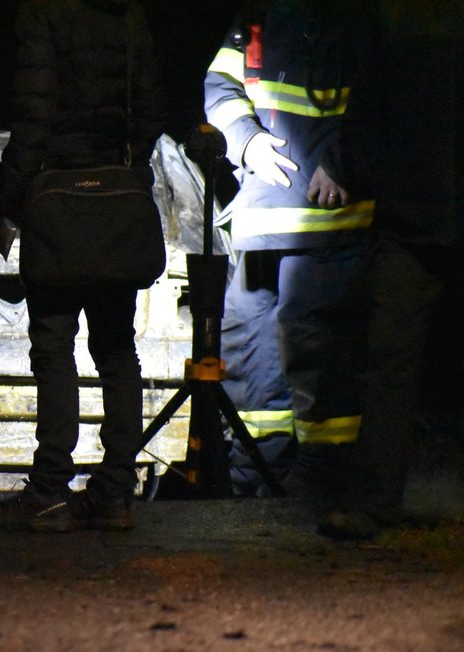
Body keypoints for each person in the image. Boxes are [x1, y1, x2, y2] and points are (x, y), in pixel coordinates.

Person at [0, 0, 167, 531]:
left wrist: (2, 201)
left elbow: (33, 120)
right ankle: (113, 493)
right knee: (116, 348)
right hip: (117, 206)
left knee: (55, 349)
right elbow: (152, 113)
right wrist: (123, 171)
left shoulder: (42, 13)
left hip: (57, 203)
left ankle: (50, 492)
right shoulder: (130, 15)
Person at [203, 0, 374, 499]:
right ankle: (257, 477)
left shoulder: (362, 19)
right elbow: (220, 85)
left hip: (330, 226)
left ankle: (324, 480)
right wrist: (246, 139)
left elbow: (386, 100)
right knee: (250, 355)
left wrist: (344, 164)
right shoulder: (256, 15)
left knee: (320, 356)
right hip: (261, 226)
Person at [320, 1, 464, 540]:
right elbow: (365, 119)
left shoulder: (394, 15)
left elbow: (363, 118)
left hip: (409, 218)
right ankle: (374, 502)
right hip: (413, 217)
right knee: (389, 365)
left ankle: (373, 503)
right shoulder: (395, 17)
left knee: (390, 365)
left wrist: (391, 188)